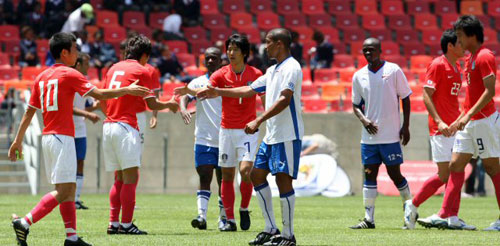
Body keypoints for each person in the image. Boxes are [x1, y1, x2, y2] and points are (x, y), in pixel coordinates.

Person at [9, 32, 151, 246]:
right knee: (64, 190)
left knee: (69, 189)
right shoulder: (70, 74)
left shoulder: (41, 76)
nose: (77, 53)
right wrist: (127, 89)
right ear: (64, 52)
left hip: (48, 137)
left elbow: (29, 112)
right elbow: (101, 95)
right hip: (62, 137)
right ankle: (25, 222)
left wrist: (17, 141)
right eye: (75, 49)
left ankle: (72, 237)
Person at [197, 28, 303, 246]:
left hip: (287, 134)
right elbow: (246, 90)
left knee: (283, 181)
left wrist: (258, 120)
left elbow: (284, 100)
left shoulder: (292, 67)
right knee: (256, 175)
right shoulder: (273, 70)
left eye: (269, 42)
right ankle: (270, 227)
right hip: (271, 136)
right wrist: (218, 92)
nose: (265, 46)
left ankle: (288, 235)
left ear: (279, 44)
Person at [181, 34, 263, 232]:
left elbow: (263, 97)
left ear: (245, 53)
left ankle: (244, 208)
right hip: (225, 130)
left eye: (235, 49)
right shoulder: (220, 75)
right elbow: (206, 91)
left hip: (247, 130)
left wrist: (261, 119)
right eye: (229, 49)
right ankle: (230, 220)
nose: (231, 53)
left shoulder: (256, 73)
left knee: (245, 171)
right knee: (226, 175)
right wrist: (188, 94)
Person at [427, 15, 500, 231]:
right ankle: (447, 215)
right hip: (471, 122)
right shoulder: (470, 59)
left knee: (492, 168)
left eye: (460, 36)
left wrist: (467, 117)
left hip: (485, 121)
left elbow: (489, 92)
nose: (458, 41)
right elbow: (469, 99)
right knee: (455, 165)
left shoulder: (485, 56)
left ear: (472, 35)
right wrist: (461, 119)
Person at [102, 35, 179, 235]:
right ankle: (127, 224)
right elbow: (152, 103)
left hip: (109, 125)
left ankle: (113, 223)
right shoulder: (141, 70)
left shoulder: (112, 68)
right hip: (126, 126)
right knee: (130, 177)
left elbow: (102, 97)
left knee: (118, 177)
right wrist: (170, 104)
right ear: (145, 55)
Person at [398, 30, 464, 229]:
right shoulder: (437, 65)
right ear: (450, 46)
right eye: (459, 43)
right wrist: (439, 121)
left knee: (457, 172)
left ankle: (452, 216)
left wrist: (459, 120)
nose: (463, 47)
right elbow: (426, 94)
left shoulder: (458, 65)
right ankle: (413, 203)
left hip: (456, 127)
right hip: (440, 129)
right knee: (444, 175)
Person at [349, 38, 414, 230]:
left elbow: (406, 98)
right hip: (368, 138)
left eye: (371, 50)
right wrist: (364, 120)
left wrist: (406, 126)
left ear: (380, 50)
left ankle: (409, 213)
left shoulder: (393, 70)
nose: (368, 53)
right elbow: (355, 104)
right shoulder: (358, 76)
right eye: (365, 51)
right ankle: (369, 219)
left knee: (395, 175)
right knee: (369, 174)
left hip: (390, 135)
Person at [176, 47, 227, 230]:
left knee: (223, 180)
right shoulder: (197, 82)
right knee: (204, 176)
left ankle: (224, 218)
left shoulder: (226, 81)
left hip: (224, 137)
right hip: (204, 139)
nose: (211, 61)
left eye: (214, 58)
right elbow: (184, 96)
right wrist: (183, 108)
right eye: (208, 58)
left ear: (221, 60)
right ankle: (201, 216)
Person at [72, 53, 101, 210]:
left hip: (80, 129)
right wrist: (88, 114)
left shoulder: (85, 82)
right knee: (70, 165)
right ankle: (68, 198)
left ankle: (76, 199)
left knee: (80, 163)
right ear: (78, 64)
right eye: (86, 63)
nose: (88, 66)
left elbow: (86, 106)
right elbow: (69, 108)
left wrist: (95, 107)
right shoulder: (71, 81)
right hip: (68, 128)